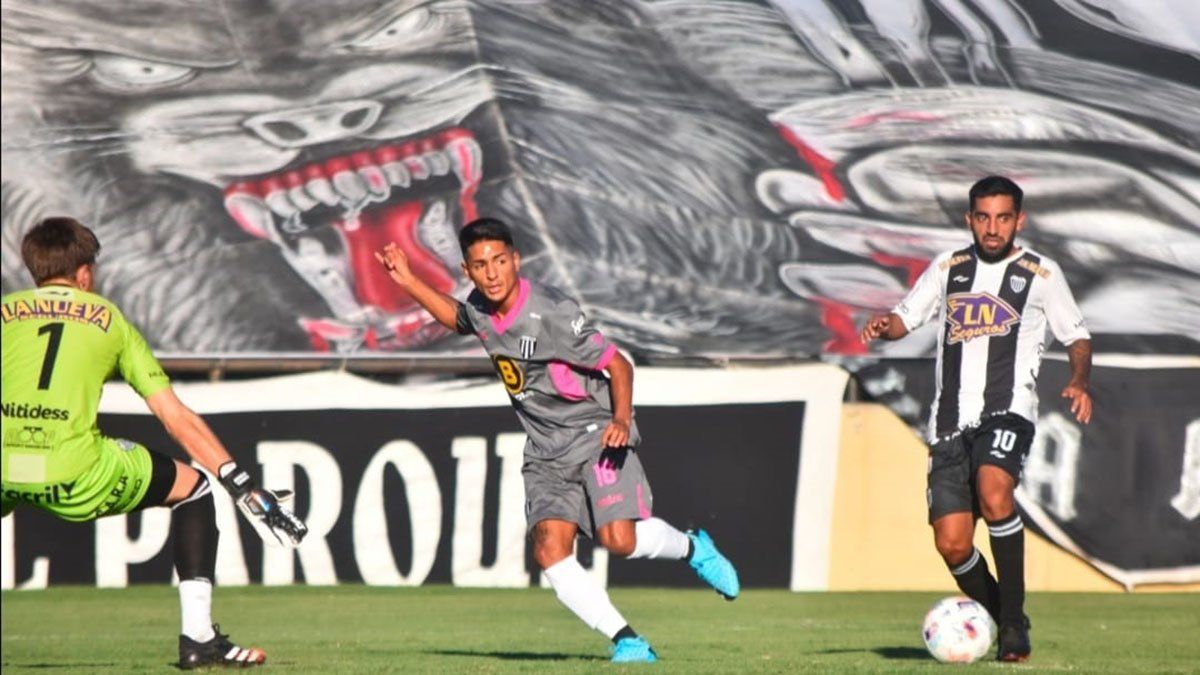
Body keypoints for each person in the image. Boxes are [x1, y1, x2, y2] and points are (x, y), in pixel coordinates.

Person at [375, 217, 740, 663]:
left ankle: (693, 548)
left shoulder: (551, 312)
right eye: (480, 265)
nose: (492, 273)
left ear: (516, 260)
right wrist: (409, 280)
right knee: (550, 551)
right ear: (467, 271)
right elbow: (460, 318)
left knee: (619, 541)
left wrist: (620, 420)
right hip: (544, 450)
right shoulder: (482, 307)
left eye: (499, 261)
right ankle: (628, 640)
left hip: (595, 435)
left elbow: (618, 365)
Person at [1, 217, 309, 669]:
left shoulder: (5, 310)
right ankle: (199, 639)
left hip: (5, 464)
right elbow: (173, 417)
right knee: (195, 490)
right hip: (73, 470)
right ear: (84, 273)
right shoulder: (109, 319)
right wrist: (242, 486)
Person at [860, 176, 1093, 662]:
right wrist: (886, 326)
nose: (992, 228)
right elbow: (906, 317)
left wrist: (1078, 380)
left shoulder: (1041, 274)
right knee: (952, 544)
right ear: (969, 219)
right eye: (983, 217)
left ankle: (1011, 623)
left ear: (1019, 220)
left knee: (994, 489)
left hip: (1007, 411)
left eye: (1002, 218)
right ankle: (1005, 614)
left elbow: (1077, 336)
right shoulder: (949, 267)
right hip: (949, 423)